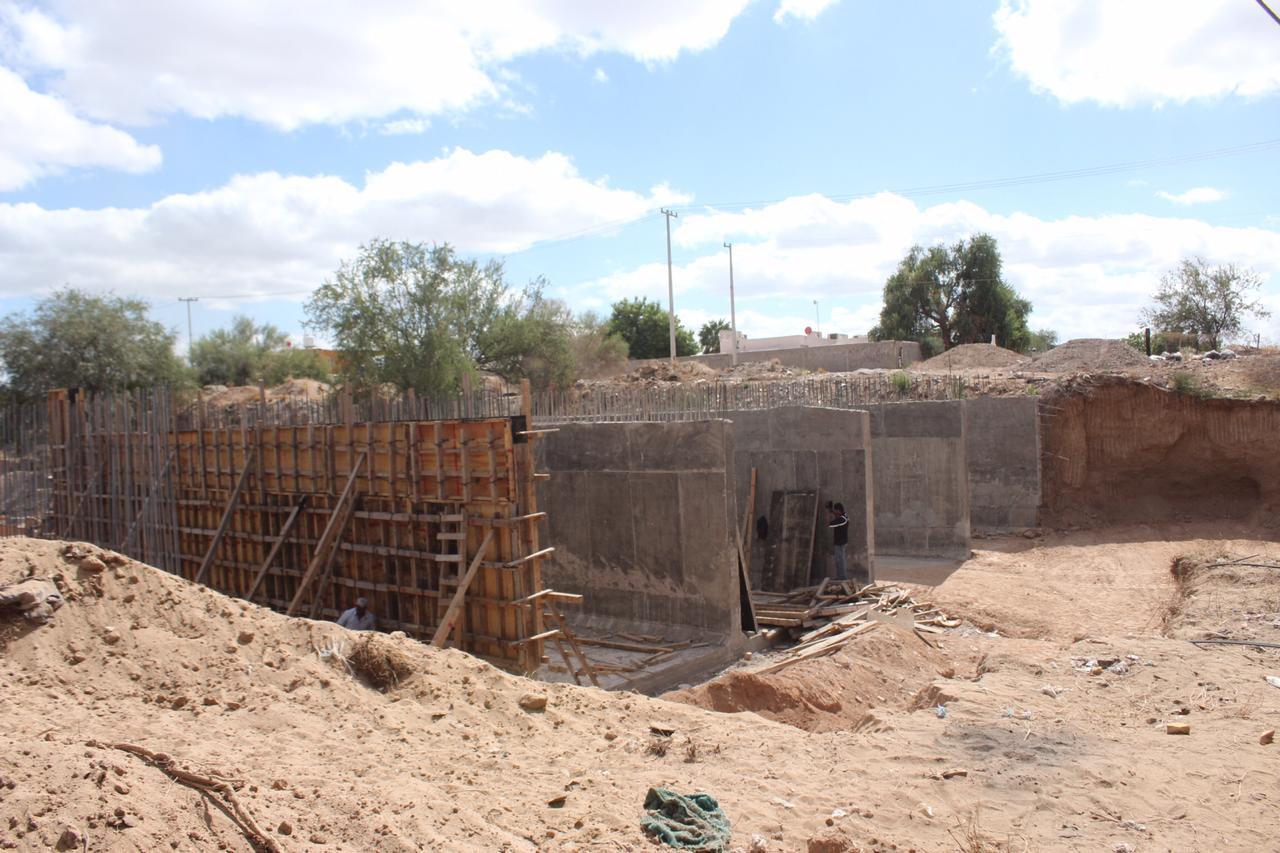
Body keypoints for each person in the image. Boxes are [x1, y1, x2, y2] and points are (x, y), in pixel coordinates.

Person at [827, 502, 849, 581]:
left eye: (836, 511)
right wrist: (832, 511)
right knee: (838, 560)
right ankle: (840, 577)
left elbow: (830, 524)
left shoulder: (842, 519)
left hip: (840, 543)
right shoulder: (844, 516)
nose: (835, 513)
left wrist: (829, 514)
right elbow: (838, 517)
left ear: (839, 510)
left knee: (840, 561)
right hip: (840, 542)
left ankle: (843, 578)